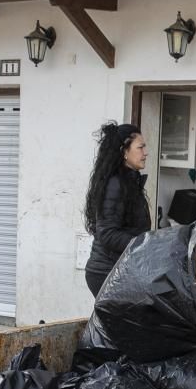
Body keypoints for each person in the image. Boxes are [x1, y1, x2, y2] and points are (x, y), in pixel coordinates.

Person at [83, 122, 151, 297]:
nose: (145, 153)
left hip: (119, 269)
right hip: (106, 272)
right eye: (140, 147)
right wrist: (145, 243)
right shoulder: (116, 184)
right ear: (124, 152)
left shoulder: (129, 182)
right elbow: (107, 233)